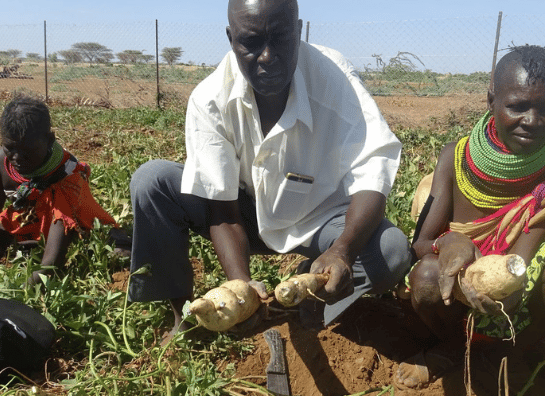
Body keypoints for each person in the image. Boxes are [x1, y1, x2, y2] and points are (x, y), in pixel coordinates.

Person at [129, 0, 411, 339]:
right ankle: (186, 318)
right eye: (250, 42)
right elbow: (223, 209)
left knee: (391, 251)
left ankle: (300, 298)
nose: (267, 56)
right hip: (246, 212)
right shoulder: (209, 99)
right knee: (152, 181)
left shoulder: (334, 78)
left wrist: (342, 250)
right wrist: (241, 286)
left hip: (322, 218)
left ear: (299, 30)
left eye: (280, 37)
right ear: (231, 38)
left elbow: (373, 170)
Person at [396, 45, 545, 389]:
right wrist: (452, 242)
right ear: (491, 99)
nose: (533, 120)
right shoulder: (457, 157)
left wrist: (510, 281)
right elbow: (420, 242)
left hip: (516, 297)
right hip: (455, 292)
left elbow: (524, 254)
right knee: (427, 277)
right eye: (517, 106)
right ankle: (450, 346)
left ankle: (515, 349)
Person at [0, 95, 124, 285]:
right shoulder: (1, 164)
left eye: (27, 151)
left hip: (63, 236)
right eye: (10, 148)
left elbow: (51, 265)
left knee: (114, 254)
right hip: (21, 231)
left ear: (49, 140)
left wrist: (15, 295)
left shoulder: (66, 175)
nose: (17, 158)